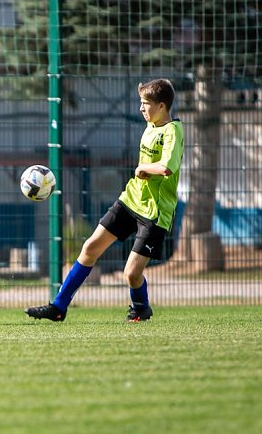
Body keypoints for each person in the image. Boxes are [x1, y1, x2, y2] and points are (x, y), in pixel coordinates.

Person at [26, 78, 184, 322]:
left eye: (146, 103)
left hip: (155, 212)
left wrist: (143, 168)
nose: (141, 108)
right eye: (140, 103)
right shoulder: (151, 125)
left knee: (131, 274)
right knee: (90, 248)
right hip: (130, 200)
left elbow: (167, 167)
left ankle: (141, 307)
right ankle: (58, 307)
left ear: (162, 105)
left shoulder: (173, 130)